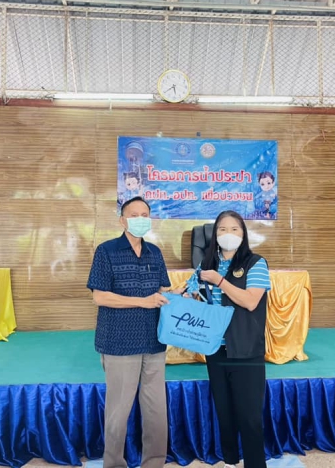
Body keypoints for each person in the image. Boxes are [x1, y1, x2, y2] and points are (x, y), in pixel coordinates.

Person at [86, 196, 171, 468]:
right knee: (118, 412)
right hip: (119, 343)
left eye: (145, 214)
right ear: (122, 220)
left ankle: (154, 463)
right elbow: (100, 296)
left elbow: (163, 292)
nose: (140, 219)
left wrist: (182, 297)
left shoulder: (154, 252)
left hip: (154, 342)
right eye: (134, 215)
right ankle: (113, 464)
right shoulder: (106, 251)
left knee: (156, 411)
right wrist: (142, 301)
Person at [183, 210, 271, 468]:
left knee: (250, 416)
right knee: (225, 412)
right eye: (222, 229)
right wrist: (178, 296)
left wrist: (220, 281)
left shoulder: (255, 263)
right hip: (216, 349)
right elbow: (188, 291)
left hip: (245, 349)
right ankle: (230, 461)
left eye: (234, 229)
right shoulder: (207, 264)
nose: (228, 234)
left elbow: (251, 301)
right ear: (214, 234)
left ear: (243, 234)